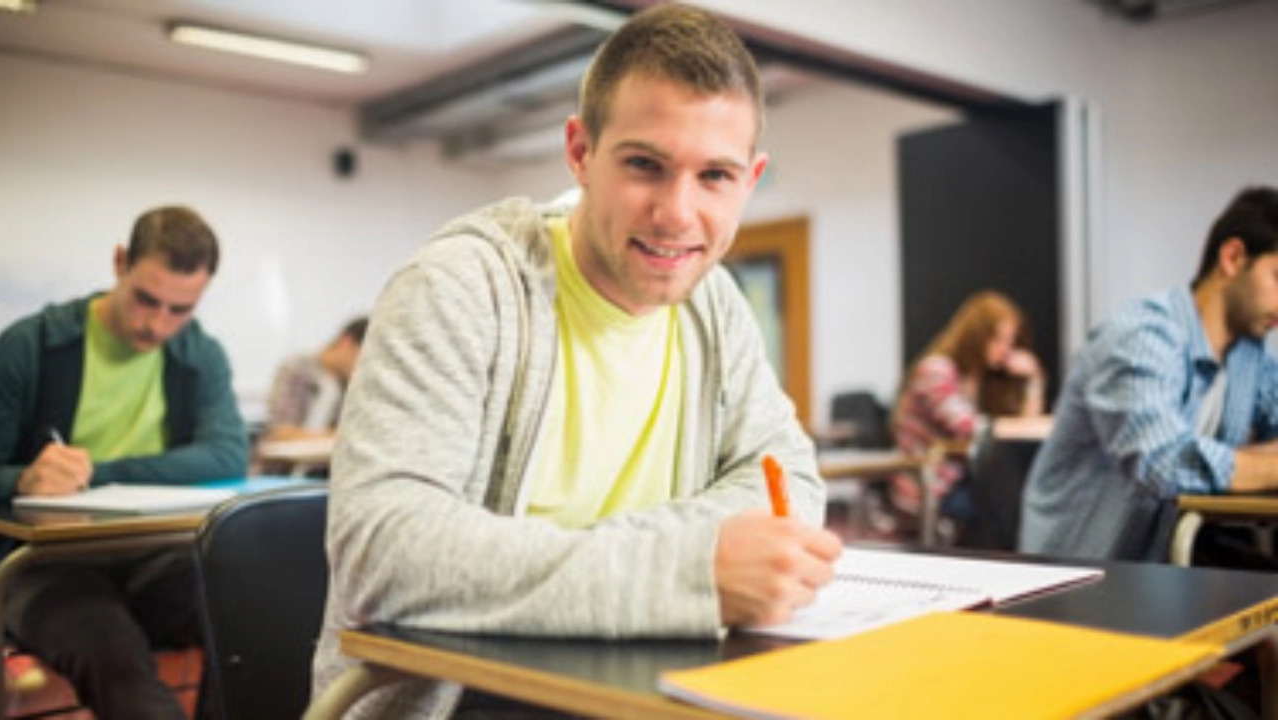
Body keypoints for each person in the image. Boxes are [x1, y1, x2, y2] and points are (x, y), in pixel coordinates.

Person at [312, 4, 841, 717]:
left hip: (646, 683)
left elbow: (790, 483)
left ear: (751, 179)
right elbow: (384, 554)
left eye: (714, 176)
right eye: (645, 165)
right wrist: (687, 570)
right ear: (580, 151)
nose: (677, 213)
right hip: (463, 699)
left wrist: (640, 568)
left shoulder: (714, 304)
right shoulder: (459, 286)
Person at [0, 205, 248, 719]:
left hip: (154, 558)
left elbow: (227, 454)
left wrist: (97, 476)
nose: (157, 325)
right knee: (117, 661)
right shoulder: (30, 346)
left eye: (180, 310)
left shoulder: (202, 356)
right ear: (119, 263)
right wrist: (23, 476)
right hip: (42, 567)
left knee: (248, 611)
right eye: (146, 300)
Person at [1019, 186, 1278, 563]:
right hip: (1081, 575)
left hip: (1168, 565)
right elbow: (1165, 464)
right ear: (1233, 258)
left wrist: (1251, 465)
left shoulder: (1250, 355)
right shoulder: (1141, 333)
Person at [887, 290, 1045, 541]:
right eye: (999, 340)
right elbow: (970, 427)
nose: (1006, 350)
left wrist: (1034, 379)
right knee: (1013, 507)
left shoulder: (985, 379)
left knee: (1022, 495)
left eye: (1011, 342)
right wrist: (1016, 428)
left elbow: (1024, 427)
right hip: (934, 486)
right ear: (976, 336)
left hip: (970, 478)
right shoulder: (937, 370)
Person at [262, 315, 368, 442]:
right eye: (362, 358)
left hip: (327, 459)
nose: (363, 367)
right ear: (346, 342)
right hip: (287, 460)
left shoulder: (349, 383)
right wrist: (338, 438)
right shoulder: (297, 368)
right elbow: (281, 433)